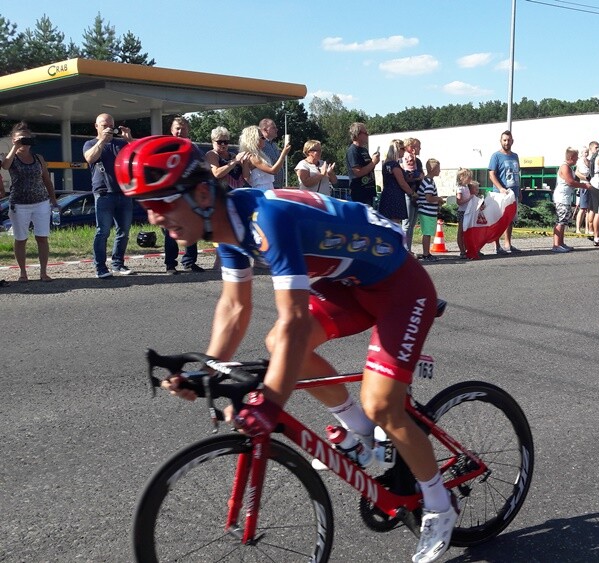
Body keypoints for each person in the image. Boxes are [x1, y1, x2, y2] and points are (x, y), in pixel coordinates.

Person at [116, 136, 457, 563]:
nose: (152, 216)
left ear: (201, 194)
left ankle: (439, 507)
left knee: (383, 403)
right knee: (277, 343)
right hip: (349, 283)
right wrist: (210, 370)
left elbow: (296, 319)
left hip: (399, 287)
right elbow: (235, 307)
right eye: (145, 204)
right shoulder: (228, 224)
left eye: (161, 203)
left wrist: (270, 403)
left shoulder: (264, 221)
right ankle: (358, 430)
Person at [1, 122, 59, 282]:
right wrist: (15, 147)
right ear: (13, 140)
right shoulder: (11, 158)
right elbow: (5, 166)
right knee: (21, 239)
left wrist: (54, 201)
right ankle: (22, 272)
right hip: (19, 203)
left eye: (27, 139)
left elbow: (46, 179)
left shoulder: (38, 158)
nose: (24, 143)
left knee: (42, 237)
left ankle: (43, 272)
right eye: (21, 139)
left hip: (40, 202)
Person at [83, 112, 135, 278]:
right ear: (96, 126)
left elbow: (140, 155)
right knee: (103, 231)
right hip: (103, 193)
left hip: (123, 192)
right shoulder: (90, 143)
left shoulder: (121, 144)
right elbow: (90, 158)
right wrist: (102, 141)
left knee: (124, 231)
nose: (108, 129)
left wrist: (129, 140)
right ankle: (100, 267)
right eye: (104, 126)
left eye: (110, 126)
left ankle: (118, 264)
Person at [164, 116, 204, 273]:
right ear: (172, 130)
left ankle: (189, 261)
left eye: (183, 128)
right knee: (171, 231)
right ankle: (170, 264)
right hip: (172, 194)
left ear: (188, 130)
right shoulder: (165, 146)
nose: (180, 131)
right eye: (177, 128)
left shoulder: (193, 147)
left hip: (190, 194)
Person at [487, 130, 521, 254]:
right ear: (501, 141)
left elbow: (517, 173)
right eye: (504, 140)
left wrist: (519, 190)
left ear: (512, 141)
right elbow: (491, 174)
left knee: (509, 219)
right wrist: (501, 188)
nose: (507, 142)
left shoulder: (515, 156)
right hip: (500, 193)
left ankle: (508, 244)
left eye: (508, 140)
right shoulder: (496, 156)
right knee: (499, 219)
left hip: (513, 193)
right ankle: (497, 246)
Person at [552, 148, 589, 252]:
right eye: (576, 157)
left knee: (564, 221)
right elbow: (570, 182)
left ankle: (561, 243)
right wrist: (585, 186)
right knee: (561, 220)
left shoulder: (569, 167)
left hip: (566, 197)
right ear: (571, 157)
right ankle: (556, 245)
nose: (577, 159)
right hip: (561, 197)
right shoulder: (565, 167)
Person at [377, 139, 416, 225]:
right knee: (394, 224)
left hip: (387, 195)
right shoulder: (394, 165)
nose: (404, 150)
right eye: (403, 148)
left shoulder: (386, 164)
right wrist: (413, 193)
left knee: (387, 224)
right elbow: (402, 183)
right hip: (395, 197)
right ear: (397, 149)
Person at [240, 125, 291, 190]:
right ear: (254, 139)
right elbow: (273, 171)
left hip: (267, 188)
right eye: (262, 137)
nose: (265, 139)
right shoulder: (253, 157)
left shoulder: (259, 155)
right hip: (261, 190)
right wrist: (283, 155)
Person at [346, 122, 380, 206]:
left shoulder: (364, 150)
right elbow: (358, 172)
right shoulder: (353, 151)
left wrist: (373, 160)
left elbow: (367, 168)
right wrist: (373, 162)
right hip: (360, 194)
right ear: (357, 134)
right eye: (365, 133)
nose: (367, 135)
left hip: (368, 191)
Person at [205, 126, 249, 191]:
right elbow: (217, 173)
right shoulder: (212, 154)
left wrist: (245, 162)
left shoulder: (232, 155)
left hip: (238, 192)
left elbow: (246, 177)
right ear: (213, 141)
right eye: (220, 142)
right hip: (222, 194)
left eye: (225, 142)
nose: (223, 144)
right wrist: (235, 161)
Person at [416, 158, 443, 260]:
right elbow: (428, 197)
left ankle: (426, 252)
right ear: (433, 169)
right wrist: (439, 199)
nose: (439, 170)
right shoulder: (428, 183)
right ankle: (426, 254)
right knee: (427, 233)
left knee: (428, 232)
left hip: (427, 211)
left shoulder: (427, 180)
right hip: (427, 211)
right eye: (438, 168)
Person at [401, 138, 425, 254]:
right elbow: (407, 176)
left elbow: (421, 174)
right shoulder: (405, 159)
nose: (419, 149)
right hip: (408, 193)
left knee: (412, 224)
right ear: (410, 147)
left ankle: (408, 250)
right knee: (407, 223)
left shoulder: (418, 161)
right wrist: (417, 177)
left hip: (417, 194)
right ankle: (404, 249)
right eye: (417, 146)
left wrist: (419, 176)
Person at [454, 169, 477, 258]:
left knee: (467, 231)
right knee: (461, 232)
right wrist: (469, 198)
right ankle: (462, 251)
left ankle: (468, 249)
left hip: (468, 211)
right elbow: (459, 201)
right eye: (468, 177)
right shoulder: (460, 188)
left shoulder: (467, 187)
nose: (470, 178)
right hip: (462, 212)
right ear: (461, 177)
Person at [259, 118, 286, 187]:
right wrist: (283, 154)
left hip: (278, 185)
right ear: (265, 130)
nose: (276, 130)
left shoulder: (274, 145)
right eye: (273, 128)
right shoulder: (260, 145)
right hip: (267, 186)